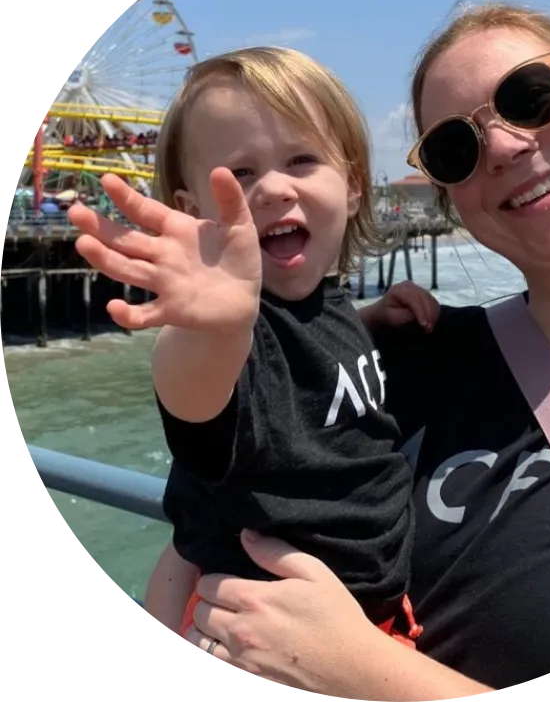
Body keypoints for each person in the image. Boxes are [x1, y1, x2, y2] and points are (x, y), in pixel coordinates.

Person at [177, 3, 550, 697]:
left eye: (530, 97)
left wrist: (357, 669)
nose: (503, 145)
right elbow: (207, 516)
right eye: (456, 147)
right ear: (451, 195)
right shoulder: (406, 357)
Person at [66, 46, 444, 652]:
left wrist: (372, 320)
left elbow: (309, 360)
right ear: (191, 215)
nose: (271, 188)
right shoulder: (227, 340)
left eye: (301, 159)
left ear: (350, 186)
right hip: (268, 640)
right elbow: (197, 389)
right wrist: (210, 328)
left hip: (372, 621)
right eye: (237, 175)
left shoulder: (328, 304)